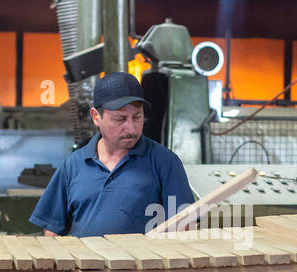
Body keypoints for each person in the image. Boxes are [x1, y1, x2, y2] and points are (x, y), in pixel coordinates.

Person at [31, 71, 194, 237]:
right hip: (87, 262)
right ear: (96, 117)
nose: (131, 128)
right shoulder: (74, 165)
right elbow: (52, 230)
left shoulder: (164, 162)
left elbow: (184, 228)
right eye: (120, 119)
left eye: (137, 117)